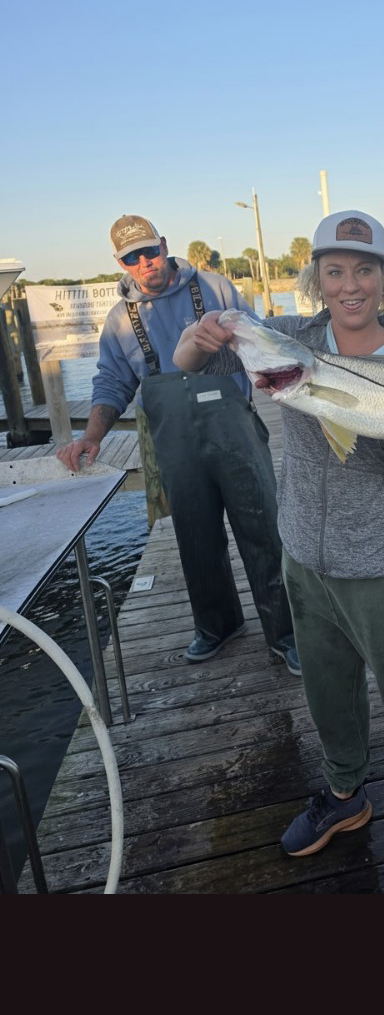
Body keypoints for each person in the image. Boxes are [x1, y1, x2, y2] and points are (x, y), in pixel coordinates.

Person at [173, 209, 384, 893]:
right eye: (334, 270)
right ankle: (345, 795)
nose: (350, 283)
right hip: (303, 557)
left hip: (383, 566)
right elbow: (191, 366)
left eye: (365, 269)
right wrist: (196, 339)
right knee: (327, 691)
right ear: (316, 279)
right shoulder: (293, 343)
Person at [56, 213, 299, 674]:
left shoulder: (215, 288)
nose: (145, 262)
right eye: (133, 257)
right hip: (175, 443)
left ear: (164, 244)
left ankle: (287, 633)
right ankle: (217, 625)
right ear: (121, 263)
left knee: (264, 530)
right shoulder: (119, 320)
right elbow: (112, 381)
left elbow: (259, 341)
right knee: (194, 536)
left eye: (150, 250)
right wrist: (91, 436)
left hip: (236, 432)